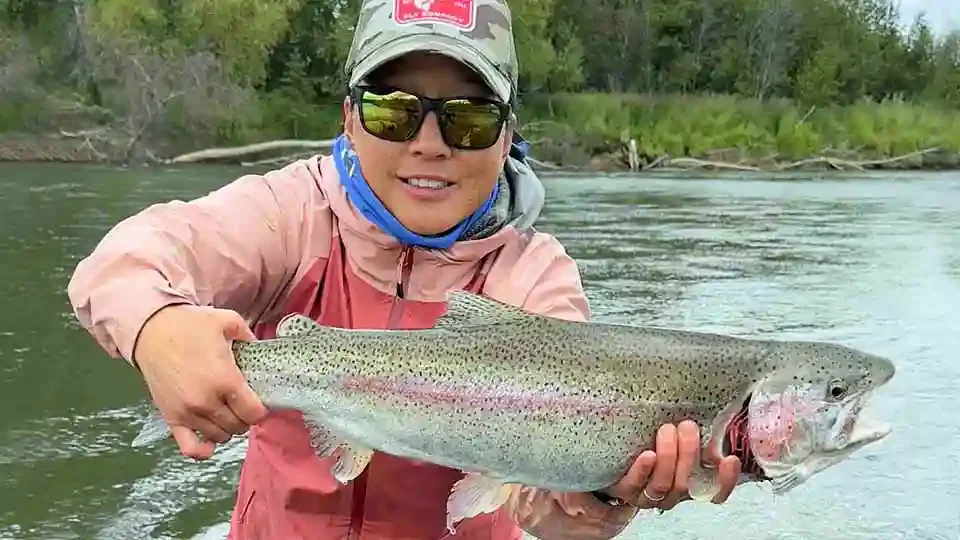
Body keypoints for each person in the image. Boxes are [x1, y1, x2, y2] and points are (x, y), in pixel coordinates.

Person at [66, 0, 742, 538]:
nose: (428, 145)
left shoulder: (534, 276)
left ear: (507, 135)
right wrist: (158, 329)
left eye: (468, 121)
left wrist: (600, 490)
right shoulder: (292, 213)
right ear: (351, 120)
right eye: (394, 112)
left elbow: (547, 512)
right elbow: (123, 263)